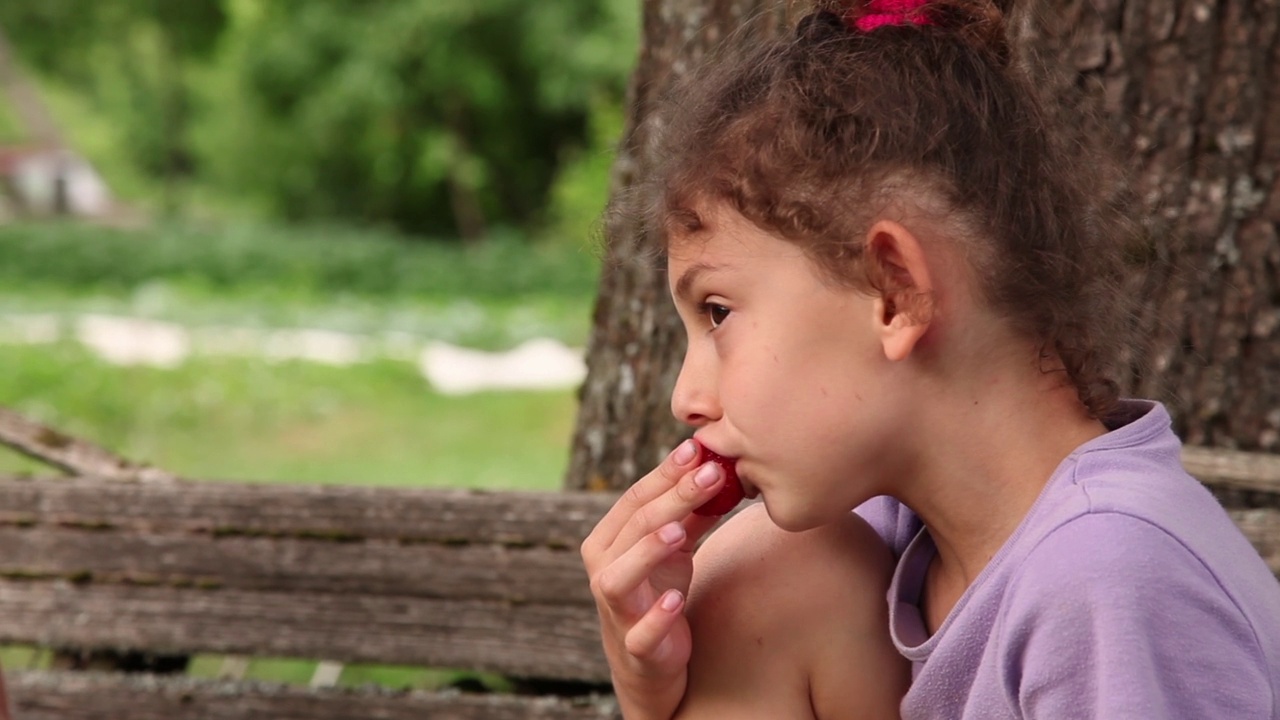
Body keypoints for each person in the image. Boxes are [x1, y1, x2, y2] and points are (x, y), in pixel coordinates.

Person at [580, 0, 1280, 717]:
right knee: (760, 580)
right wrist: (650, 693)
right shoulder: (878, 545)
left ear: (895, 292)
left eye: (718, 313)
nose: (685, 399)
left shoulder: (1106, 575)